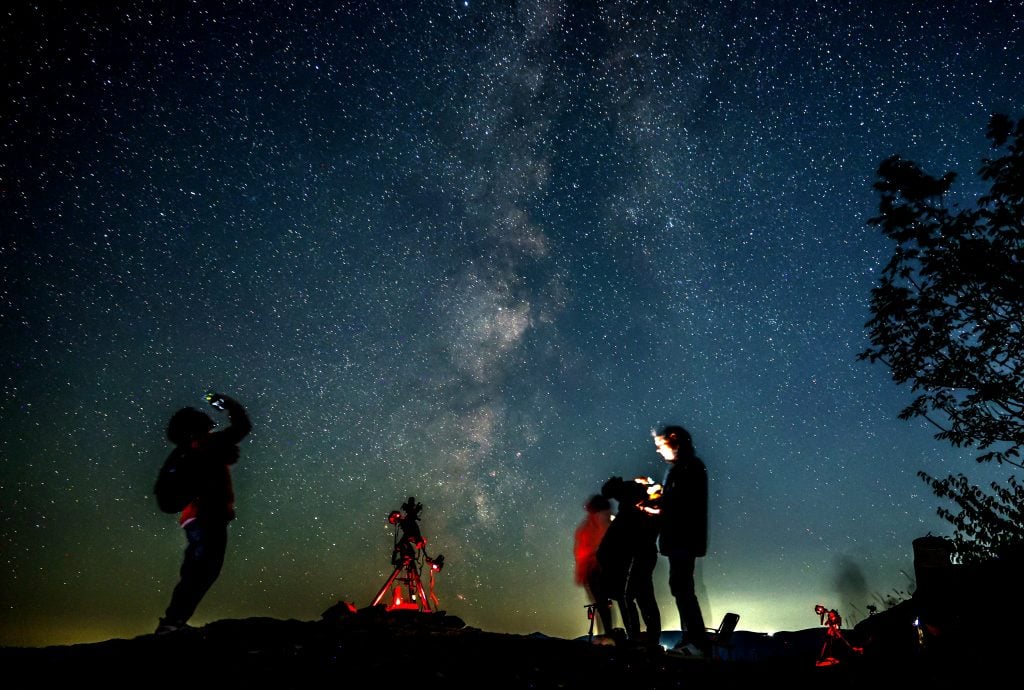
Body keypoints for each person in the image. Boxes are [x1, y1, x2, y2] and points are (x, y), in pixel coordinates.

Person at [156, 392, 252, 634]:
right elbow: (242, 426)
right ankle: (172, 622)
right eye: (206, 427)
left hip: (201, 517)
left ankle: (173, 621)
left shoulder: (190, 451)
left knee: (200, 568)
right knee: (202, 569)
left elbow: (164, 493)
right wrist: (228, 404)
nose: (211, 430)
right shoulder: (201, 448)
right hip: (205, 516)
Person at [654, 424, 710, 657]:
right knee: (681, 588)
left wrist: (657, 504)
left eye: (661, 444)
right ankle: (692, 639)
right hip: (683, 538)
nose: (658, 450)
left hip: (683, 538)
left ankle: (697, 643)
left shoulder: (688, 468)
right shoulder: (686, 467)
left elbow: (681, 504)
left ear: (674, 441)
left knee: (682, 588)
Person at [597, 476, 662, 650]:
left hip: (637, 556)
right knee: (644, 597)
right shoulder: (639, 501)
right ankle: (650, 638)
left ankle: (636, 639)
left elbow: (617, 536)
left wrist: (605, 554)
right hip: (644, 554)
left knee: (628, 597)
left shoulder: (630, 507)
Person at [573, 494, 614, 642]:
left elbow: (582, 549)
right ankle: (607, 633)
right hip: (597, 566)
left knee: (601, 602)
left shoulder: (593, 524)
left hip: (596, 567)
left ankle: (608, 634)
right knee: (602, 602)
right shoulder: (597, 523)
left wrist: (581, 571)